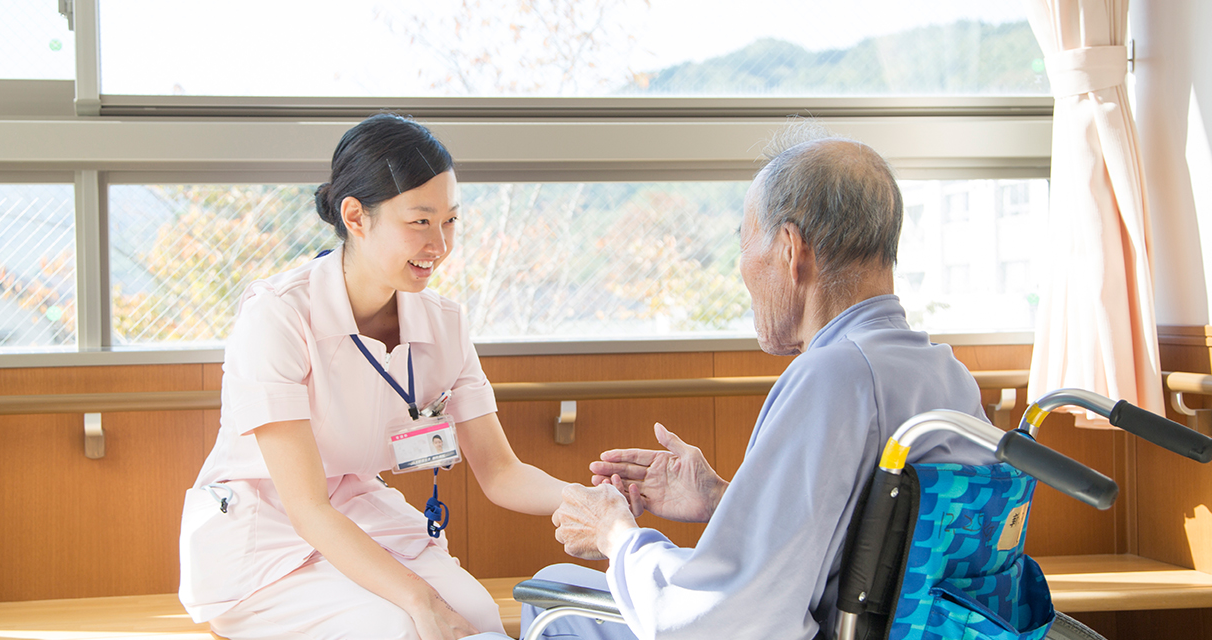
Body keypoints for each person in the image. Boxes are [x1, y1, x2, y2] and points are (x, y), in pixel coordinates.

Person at [533, 125, 998, 640]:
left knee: (552, 590)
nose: (741, 269)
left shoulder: (832, 376)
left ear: (791, 250)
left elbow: (718, 621)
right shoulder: (946, 373)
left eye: (744, 242)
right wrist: (722, 499)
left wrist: (613, 532)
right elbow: (867, 548)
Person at [179, 114, 568, 640]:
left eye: (450, 221)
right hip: (263, 532)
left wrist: (591, 502)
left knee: (476, 618)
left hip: (360, 513)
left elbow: (501, 473)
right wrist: (420, 600)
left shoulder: (444, 323)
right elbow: (307, 506)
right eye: (420, 221)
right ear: (356, 217)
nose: (440, 244)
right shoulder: (277, 314)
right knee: (399, 626)